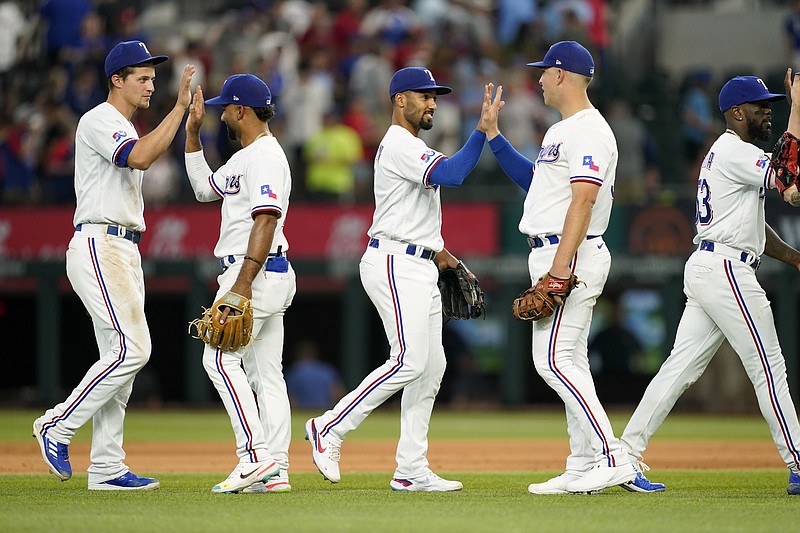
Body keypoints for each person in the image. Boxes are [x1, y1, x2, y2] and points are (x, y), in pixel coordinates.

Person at [479, 41, 660, 494]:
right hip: (552, 250)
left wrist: (559, 269)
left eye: (543, 71)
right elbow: (537, 185)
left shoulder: (590, 130)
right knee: (570, 359)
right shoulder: (561, 131)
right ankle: (582, 464)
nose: (538, 79)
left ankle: (612, 456)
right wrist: (495, 138)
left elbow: (584, 199)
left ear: (561, 75)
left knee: (552, 360)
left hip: (570, 254)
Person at [304, 66, 494, 492]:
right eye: (423, 95)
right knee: (408, 359)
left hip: (418, 260)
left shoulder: (413, 145)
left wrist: (439, 252)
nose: (431, 103)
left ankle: (411, 468)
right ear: (399, 100)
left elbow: (416, 211)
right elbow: (454, 174)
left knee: (432, 366)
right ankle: (328, 428)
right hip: (393, 261)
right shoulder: (399, 143)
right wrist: (481, 130)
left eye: (434, 97)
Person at [621, 72, 800, 496]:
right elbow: (788, 182)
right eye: (761, 105)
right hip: (726, 271)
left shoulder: (730, 152)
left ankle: (623, 456)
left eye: (772, 104)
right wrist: (799, 109)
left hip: (713, 264)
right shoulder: (735, 151)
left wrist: (795, 259)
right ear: (737, 113)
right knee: (769, 368)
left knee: (678, 370)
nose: (768, 111)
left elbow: (753, 228)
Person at [32, 40, 194, 490]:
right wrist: (179, 109)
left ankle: (105, 466)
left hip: (122, 247)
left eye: (153, 78)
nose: (150, 84)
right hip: (100, 242)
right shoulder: (101, 119)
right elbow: (139, 156)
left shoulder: (121, 123)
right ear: (116, 80)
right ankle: (57, 425)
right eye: (142, 77)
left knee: (118, 362)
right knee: (132, 350)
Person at [183, 73, 296, 494]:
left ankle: (254, 458)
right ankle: (276, 470)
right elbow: (201, 189)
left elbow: (267, 218)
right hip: (265, 271)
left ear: (241, 110)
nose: (221, 116)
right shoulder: (244, 157)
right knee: (266, 373)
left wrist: (242, 285)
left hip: (254, 272)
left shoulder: (265, 155)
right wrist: (192, 134)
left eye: (224, 109)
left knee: (217, 359)